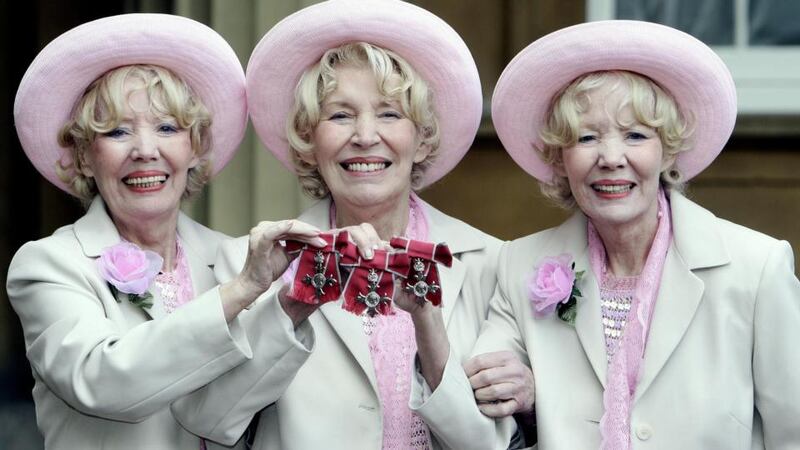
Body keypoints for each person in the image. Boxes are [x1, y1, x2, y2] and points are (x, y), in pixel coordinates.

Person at [410, 20, 800, 449]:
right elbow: (477, 438)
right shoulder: (520, 266)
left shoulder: (756, 267)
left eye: (635, 135)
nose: (611, 158)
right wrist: (523, 401)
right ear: (559, 158)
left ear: (667, 148)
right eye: (587, 137)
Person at [170, 1, 510, 449]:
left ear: (422, 137)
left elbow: (489, 444)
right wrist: (290, 306)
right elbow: (211, 421)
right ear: (309, 140)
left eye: (389, 113)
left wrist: (428, 321)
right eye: (340, 115)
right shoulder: (243, 263)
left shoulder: (492, 262)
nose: (365, 136)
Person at [8, 13, 322, 449]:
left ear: (196, 147)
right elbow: (102, 383)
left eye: (167, 128)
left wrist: (289, 307)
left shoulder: (228, 257)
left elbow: (239, 412)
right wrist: (241, 291)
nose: (145, 150)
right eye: (116, 131)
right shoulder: (48, 265)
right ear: (83, 157)